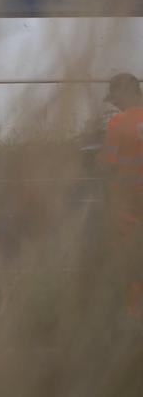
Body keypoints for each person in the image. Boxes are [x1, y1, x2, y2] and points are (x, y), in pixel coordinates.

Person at [98, 73, 143, 320]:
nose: (114, 104)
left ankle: (135, 321)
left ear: (125, 94)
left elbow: (106, 166)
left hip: (128, 209)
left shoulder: (118, 123)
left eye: (115, 98)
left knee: (132, 266)